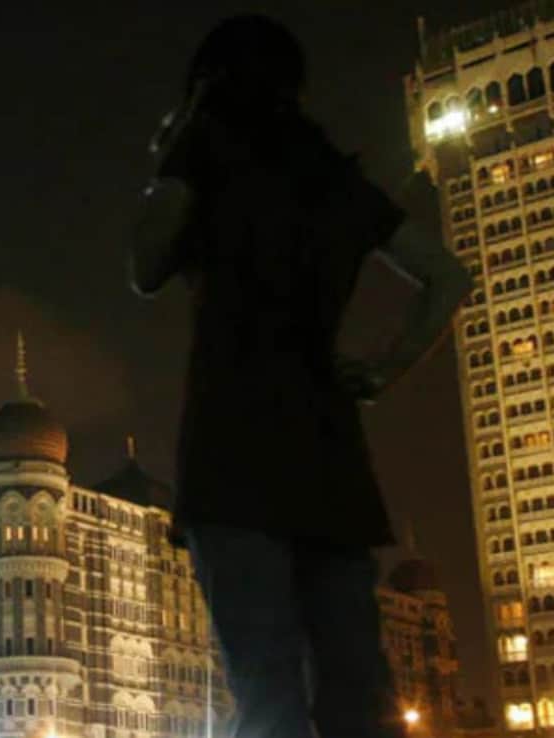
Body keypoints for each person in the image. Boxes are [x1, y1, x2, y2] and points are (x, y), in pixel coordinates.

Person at [128, 15, 473, 738]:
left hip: (232, 448)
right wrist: (385, 367)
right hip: (328, 448)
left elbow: (145, 265)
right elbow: (445, 274)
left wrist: (178, 149)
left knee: (266, 682)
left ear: (207, 85)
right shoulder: (333, 180)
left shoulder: (207, 157)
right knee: (358, 682)